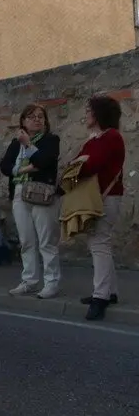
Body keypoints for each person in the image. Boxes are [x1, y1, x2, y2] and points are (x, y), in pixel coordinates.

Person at [0, 104, 61, 299]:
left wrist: (28, 145)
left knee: (46, 241)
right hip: (19, 192)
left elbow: (44, 162)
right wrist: (24, 169)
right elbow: (5, 166)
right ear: (23, 121)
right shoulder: (15, 143)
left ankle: (51, 283)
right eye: (32, 117)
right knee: (26, 240)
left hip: (41, 192)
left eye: (41, 116)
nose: (37, 120)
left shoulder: (51, 140)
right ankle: (30, 281)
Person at [73, 95, 126, 321]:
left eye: (88, 111)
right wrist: (80, 162)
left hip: (107, 197)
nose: (86, 115)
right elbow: (76, 165)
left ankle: (100, 296)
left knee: (99, 244)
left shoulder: (112, 137)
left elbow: (91, 164)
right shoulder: (93, 140)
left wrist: (81, 162)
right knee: (100, 243)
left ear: (98, 114)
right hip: (96, 197)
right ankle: (110, 292)